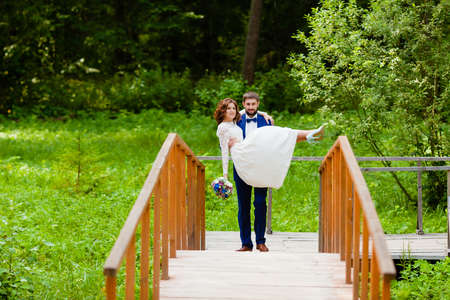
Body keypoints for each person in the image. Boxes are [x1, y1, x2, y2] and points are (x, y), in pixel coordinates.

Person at [214, 95, 324, 252]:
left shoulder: (265, 120)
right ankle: (246, 243)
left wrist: (264, 114)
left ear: (258, 104)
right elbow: (224, 139)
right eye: (247, 104)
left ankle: (260, 241)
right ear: (243, 105)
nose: (251, 107)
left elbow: (273, 141)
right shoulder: (236, 120)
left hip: (261, 166)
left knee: (260, 203)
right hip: (241, 166)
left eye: (254, 104)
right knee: (243, 206)